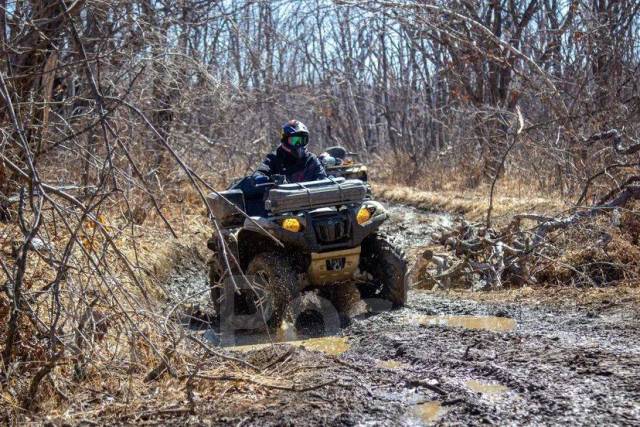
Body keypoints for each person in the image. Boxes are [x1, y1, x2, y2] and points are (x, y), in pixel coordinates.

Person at [253, 120, 327, 184]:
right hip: (282, 199)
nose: (299, 144)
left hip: (309, 199)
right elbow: (260, 173)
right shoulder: (274, 158)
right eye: (295, 141)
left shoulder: (311, 160)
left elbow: (322, 180)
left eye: (303, 140)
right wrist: (269, 180)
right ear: (285, 140)